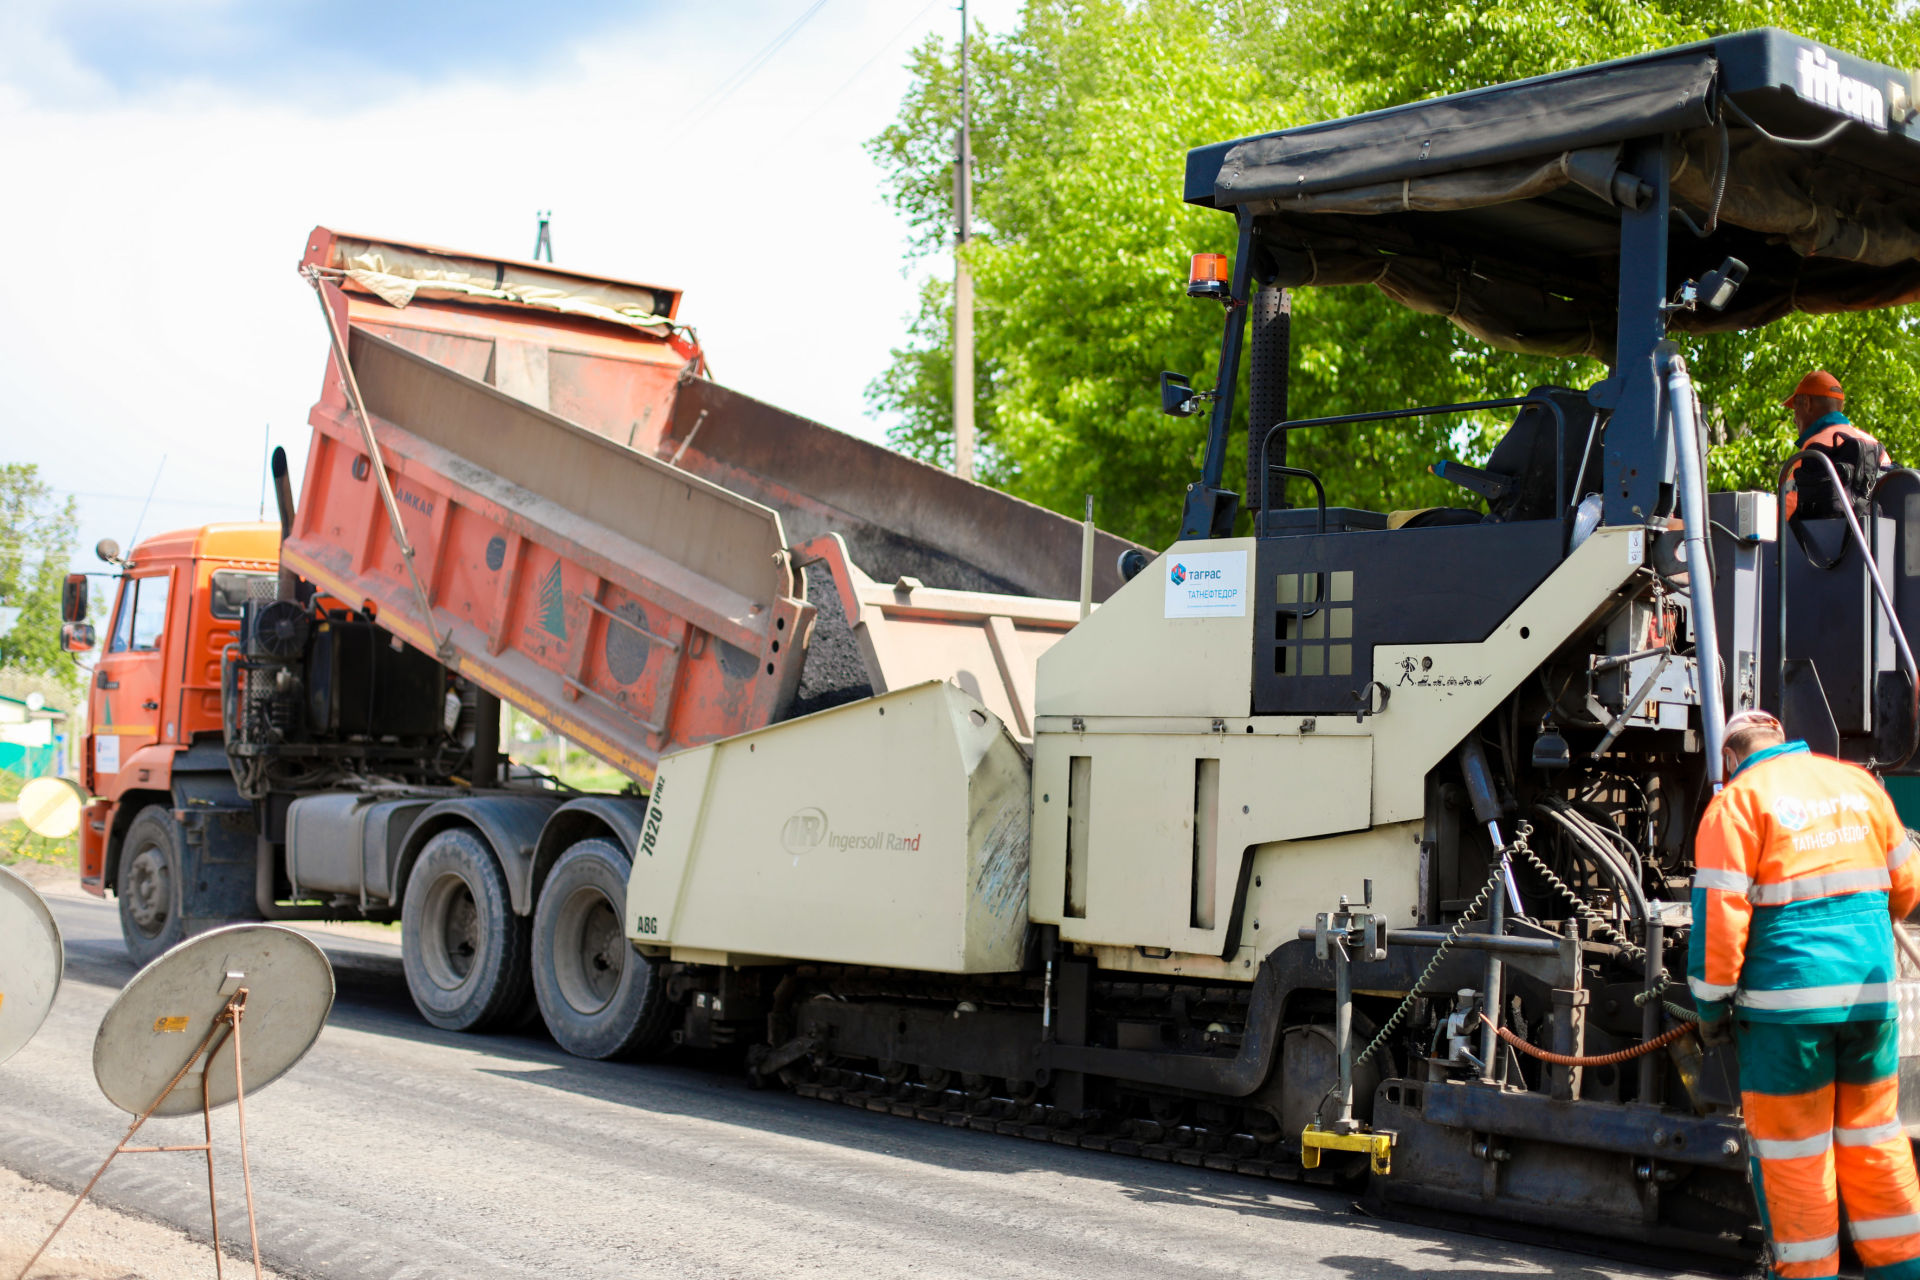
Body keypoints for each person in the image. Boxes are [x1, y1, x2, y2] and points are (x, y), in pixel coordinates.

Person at [1690, 709, 1920, 1279]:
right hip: (1871, 1002)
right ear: (1784, 740)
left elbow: (1720, 922)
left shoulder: (1737, 803)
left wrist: (1711, 1008)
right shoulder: (1857, 783)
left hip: (1787, 1011)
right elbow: (1908, 887)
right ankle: (1903, 1268)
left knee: (1797, 1150)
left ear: (1730, 757)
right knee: (1873, 1136)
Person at [1781, 370, 1890, 521]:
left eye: (1795, 409)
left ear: (1807, 403)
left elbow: (1785, 512)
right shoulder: (1876, 446)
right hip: (1878, 541)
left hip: (1823, 543)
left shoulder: (1813, 450)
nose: (1794, 419)